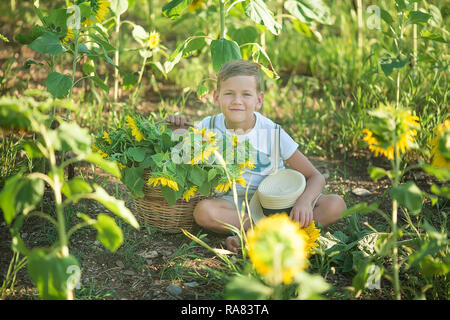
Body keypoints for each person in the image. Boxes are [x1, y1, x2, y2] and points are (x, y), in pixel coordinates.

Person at [166, 59, 346, 253]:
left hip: (276, 203)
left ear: (258, 100)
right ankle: (274, 233)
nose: (237, 100)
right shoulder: (207, 127)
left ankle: (253, 235)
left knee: (335, 205)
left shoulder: (272, 132)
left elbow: (315, 176)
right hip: (235, 207)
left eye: (246, 94)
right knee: (203, 212)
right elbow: (180, 158)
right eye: (229, 94)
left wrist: (303, 202)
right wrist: (178, 133)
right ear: (216, 97)